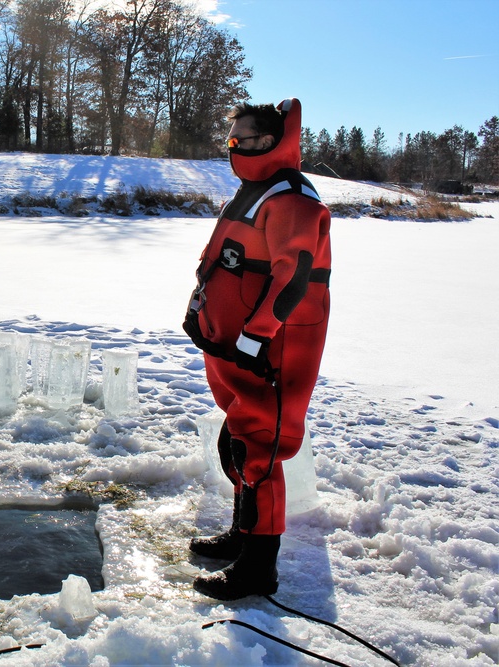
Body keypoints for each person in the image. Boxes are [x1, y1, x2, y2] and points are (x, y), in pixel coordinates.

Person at [182, 98, 332, 600]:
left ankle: (257, 568)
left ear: (268, 141)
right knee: (237, 442)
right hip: (234, 347)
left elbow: (292, 278)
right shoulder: (255, 191)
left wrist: (255, 337)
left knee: (259, 451)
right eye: (230, 139)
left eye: (239, 139)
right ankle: (242, 534)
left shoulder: (292, 199)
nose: (232, 147)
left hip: (268, 350)